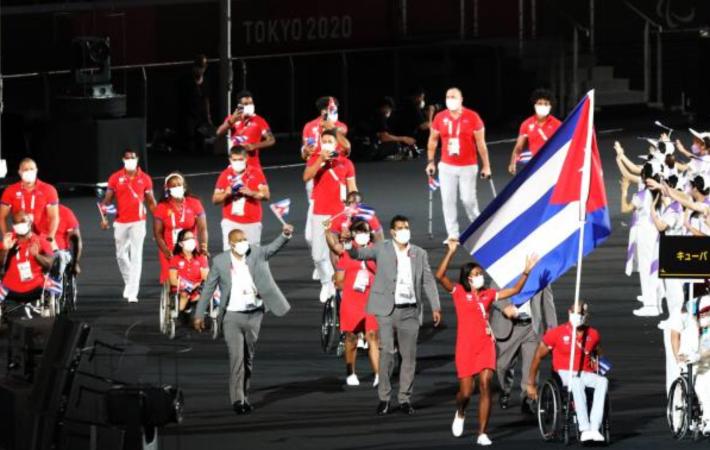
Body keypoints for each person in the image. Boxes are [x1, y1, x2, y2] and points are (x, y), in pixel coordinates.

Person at [436, 239, 538, 446]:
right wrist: (451, 252)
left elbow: (515, 291)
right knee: (465, 392)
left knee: (485, 385)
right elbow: (440, 276)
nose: (479, 277)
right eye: (475, 275)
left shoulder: (489, 294)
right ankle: (461, 411)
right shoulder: (458, 293)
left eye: (480, 274)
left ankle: (482, 432)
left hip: (485, 344)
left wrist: (526, 272)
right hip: (466, 347)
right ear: (466, 278)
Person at [193, 223, 294, 415]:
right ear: (231, 244)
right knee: (237, 358)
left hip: (254, 315)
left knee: (248, 359)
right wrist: (199, 314)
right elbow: (208, 288)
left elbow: (272, 248)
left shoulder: (256, 253)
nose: (244, 243)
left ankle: (244, 396)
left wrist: (285, 235)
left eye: (245, 240)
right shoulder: (221, 261)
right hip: (232, 317)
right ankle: (237, 400)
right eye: (239, 241)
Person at [348, 215, 441, 416]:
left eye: (406, 227)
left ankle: (405, 399)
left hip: (410, 311)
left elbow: (428, 281)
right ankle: (384, 398)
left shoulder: (419, 253)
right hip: (387, 310)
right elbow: (358, 254)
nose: (404, 231)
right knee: (387, 353)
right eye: (400, 228)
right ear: (392, 231)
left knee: (408, 357)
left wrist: (436, 306)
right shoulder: (382, 248)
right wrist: (348, 244)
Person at [527, 302, 608, 443]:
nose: (577, 316)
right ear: (569, 312)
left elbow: (599, 350)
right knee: (576, 382)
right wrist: (531, 383)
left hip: (585, 372)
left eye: (580, 313)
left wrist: (597, 359)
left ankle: (594, 427)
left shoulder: (593, 334)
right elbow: (538, 357)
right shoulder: (556, 333)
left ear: (585, 315)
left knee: (603, 381)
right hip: (564, 373)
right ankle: (585, 429)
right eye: (574, 312)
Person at [426, 87, 492, 240]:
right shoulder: (440, 117)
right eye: (448, 97)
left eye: (454, 96)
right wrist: (431, 162)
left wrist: (486, 165)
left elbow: (481, 143)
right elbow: (433, 140)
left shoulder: (473, 117)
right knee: (447, 200)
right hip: (446, 165)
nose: (451, 99)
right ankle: (453, 234)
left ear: (461, 99)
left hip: (468, 166)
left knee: (468, 199)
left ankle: (478, 227)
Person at [303, 129, 357, 303]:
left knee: (339, 253)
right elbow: (306, 176)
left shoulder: (346, 163)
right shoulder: (315, 158)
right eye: (323, 140)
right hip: (320, 213)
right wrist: (320, 160)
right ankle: (326, 282)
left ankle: (340, 284)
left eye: (330, 140)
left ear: (336, 143)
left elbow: (352, 188)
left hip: (339, 213)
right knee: (318, 256)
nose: (326, 143)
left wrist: (353, 207)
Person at [324, 218, 380, 387]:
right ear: (354, 234)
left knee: (372, 336)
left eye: (366, 231)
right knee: (351, 337)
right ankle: (350, 371)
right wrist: (352, 282)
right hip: (352, 300)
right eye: (360, 231)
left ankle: (378, 374)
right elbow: (339, 280)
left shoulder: (376, 252)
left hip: (372, 298)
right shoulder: (346, 254)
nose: (364, 234)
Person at [301, 96, 351, 279]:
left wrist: (332, 128)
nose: (332, 111)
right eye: (329, 109)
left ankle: (333, 268)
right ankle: (320, 260)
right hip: (316, 175)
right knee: (310, 235)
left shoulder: (340, 126)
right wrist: (307, 153)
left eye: (334, 108)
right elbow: (305, 153)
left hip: (336, 178)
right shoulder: (309, 126)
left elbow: (346, 147)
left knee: (332, 227)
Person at [100, 150, 156, 303]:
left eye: (133, 158)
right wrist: (104, 217)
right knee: (120, 255)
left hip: (138, 221)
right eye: (127, 158)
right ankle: (129, 282)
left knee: (136, 255)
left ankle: (132, 293)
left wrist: (158, 221)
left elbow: (151, 202)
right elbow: (107, 200)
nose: (130, 160)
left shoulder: (145, 178)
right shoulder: (115, 177)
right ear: (123, 159)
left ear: (137, 159)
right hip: (121, 221)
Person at [490, 285, 556, 413]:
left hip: (531, 327)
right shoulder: (504, 267)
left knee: (531, 366)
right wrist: (504, 306)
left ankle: (528, 399)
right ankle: (504, 390)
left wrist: (551, 327)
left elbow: (548, 300)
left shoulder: (541, 270)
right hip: (507, 325)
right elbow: (492, 291)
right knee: (502, 366)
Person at [153, 173, 208, 285]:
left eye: (179, 184)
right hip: (169, 248)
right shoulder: (161, 207)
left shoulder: (194, 203)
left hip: (190, 247)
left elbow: (203, 229)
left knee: (199, 274)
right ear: (167, 189)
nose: (177, 187)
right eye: (173, 186)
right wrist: (165, 251)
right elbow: (157, 234)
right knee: (172, 281)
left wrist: (203, 246)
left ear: (184, 186)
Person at [212, 146, 269, 249]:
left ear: (246, 158)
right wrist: (226, 194)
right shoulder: (225, 175)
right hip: (230, 221)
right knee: (229, 256)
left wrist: (252, 193)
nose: (237, 162)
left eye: (240, 159)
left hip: (252, 222)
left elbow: (266, 195)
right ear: (230, 160)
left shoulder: (255, 173)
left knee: (252, 257)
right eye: (234, 160)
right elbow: (215, 199)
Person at [0, 211, 55, 316]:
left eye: (22, 221)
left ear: (29, 223)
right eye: (16, 223)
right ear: (13, 226)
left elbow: (49, 265)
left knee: (52, 283)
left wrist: (37, 256)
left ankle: (47, 311)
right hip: (10, 287)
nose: (19, 225)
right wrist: (5, 250)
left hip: (36, 286)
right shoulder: (8, 241)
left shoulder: (41, 241)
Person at [0, 158, 59, 248]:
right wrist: (6, 236)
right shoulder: (10, 190)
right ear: (19, 172)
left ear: (36, 171)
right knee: (5, 258)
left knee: (52, 260)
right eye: (25, 169)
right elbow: (2, 217)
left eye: (31, 169)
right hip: (19, 236)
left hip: (42, 236)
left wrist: (51, 236)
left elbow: (54, 217)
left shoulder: (49, 189)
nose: (29, 172)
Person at [508, 88, 562, 175]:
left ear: (550, 106)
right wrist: (512, 163)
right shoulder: (526, 124)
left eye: (546, 104)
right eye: (540, 103)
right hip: (534, 164)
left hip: (552, 163)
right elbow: (519, 147)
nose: (542, 106)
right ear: (535, 105)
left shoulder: (558, 124)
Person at [216, 90, 275, 169]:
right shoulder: (232, 119)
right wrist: (232, 120)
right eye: (246, 104)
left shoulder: (259, 120)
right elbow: (219, 132)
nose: (250, 106)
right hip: (234, 166)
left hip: (253, 166)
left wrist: (253, 146)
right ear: (240, 106)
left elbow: (271, 140)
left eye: (251, 103)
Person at [177, 54, 214, 153]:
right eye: (198, 67)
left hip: (201, 114)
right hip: (189, 113)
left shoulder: (205, 81)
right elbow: (182, 99)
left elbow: (206, 99)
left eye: (202, 67)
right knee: (190, 143)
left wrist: (208, 116)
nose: (200, 70)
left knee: (202, 144)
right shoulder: (186, 81)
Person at [169, 229, 209, 314]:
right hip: (181, 287)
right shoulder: (175, 259)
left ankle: (194, 306)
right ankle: (184, 309)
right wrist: (189, 286)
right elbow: (172, 280)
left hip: (198, 287)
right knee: (184, 294)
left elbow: (205, 276)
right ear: (180, 243)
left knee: (202, 294)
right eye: (187, 238)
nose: (191, 240)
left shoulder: (201, 258)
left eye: (193, 238)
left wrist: (197, 285)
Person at [371, 96, 417, 160]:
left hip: (374, 146)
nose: (389, 111)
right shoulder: (380, 117)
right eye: (387, 108)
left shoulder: (380, 117)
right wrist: (404, 138)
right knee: (395, 145)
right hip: (371, 149)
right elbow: (384, 137)